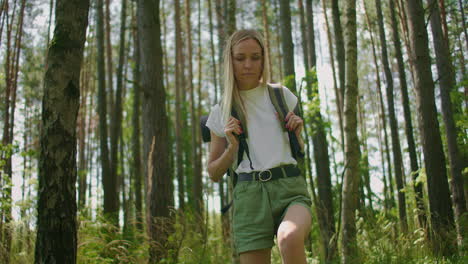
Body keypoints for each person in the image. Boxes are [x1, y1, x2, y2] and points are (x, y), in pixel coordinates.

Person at [205, 29, 312, 264]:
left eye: (255, 57)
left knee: (290, 237)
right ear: (229, 61)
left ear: (264, 58)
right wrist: (231, 148)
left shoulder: (283, 96)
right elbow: (213, 173)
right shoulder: (220, 111)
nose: (248, 65)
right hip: (249, 195)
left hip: (289, 188)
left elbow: (299, 151)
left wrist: (298, 134)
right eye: (240, 58)